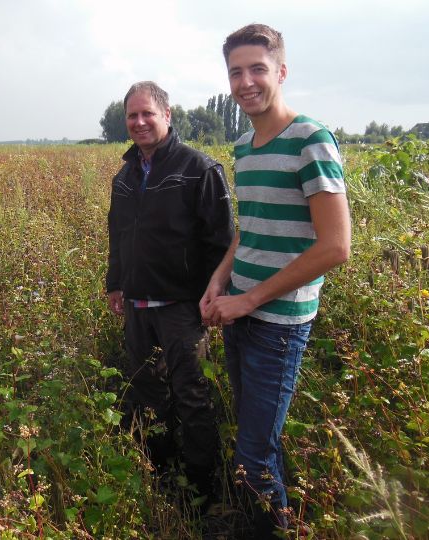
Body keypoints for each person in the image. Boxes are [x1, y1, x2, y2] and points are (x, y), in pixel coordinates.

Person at [199, 24, 351, 537]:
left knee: (252, 458)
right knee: (257, 441)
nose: (246, 82)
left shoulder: (311, 139)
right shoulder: (244, 146)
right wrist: (220, 282)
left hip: (278, 323)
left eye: (257, 69)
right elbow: (251, 228)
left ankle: (272, 528)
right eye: (236, 72)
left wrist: (250, 301)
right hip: (240, 312)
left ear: (281, 72)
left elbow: (335, 247)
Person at [106, 81, 235, 506]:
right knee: (148, 390)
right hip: (138, 306)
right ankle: (162, 471)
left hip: (183, 307)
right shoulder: (124, 176)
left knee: (192, 394)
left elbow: (223, 241)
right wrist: (115, 283)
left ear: (167, 115)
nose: (139, 122)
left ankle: (203, 489)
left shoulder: (199, 169)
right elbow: (119, 235)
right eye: (132, 115)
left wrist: (213, 296)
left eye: (147, 113)